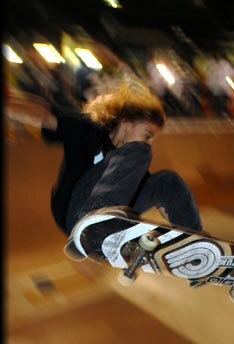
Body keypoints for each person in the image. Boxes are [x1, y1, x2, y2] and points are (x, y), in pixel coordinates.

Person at [6, 81, 203, 241]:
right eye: (147, 135)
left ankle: (194, 242)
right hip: (75, 213)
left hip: (108, 217)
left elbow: (164, 202)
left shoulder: (128, 169)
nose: (149, 143)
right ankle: (100, 222)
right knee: (139, 152)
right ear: (126, 125)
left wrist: (178, 233)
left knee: (166, 181)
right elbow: (44, 116)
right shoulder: (89, 132)